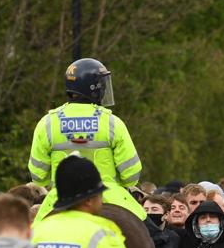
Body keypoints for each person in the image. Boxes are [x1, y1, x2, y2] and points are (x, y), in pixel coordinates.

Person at [28, 58, 145, 220]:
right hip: (109, 196)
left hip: (60, 198)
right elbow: (131, 175)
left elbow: (38, 176)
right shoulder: (112, 122)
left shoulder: (47, 123)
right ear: (94, 88)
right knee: (156, 238)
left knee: (34, 240)